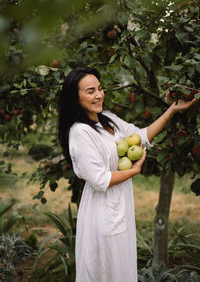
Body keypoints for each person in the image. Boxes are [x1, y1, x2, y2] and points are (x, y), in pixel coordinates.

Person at [58, 67, 197, 282]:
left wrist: (172, 110)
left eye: (100, 89)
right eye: (90, 91)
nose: (98, 95)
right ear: (75, 99)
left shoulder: (106, 119)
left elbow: (140, 136)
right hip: (102, 212)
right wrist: (134, 170)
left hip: (120, 206)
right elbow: (99, 180)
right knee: (105, 269)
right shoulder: (80, 132)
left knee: (121, 268)